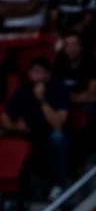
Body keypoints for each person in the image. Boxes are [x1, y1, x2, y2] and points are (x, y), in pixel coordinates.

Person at [1, 57, 70, 198]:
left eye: (40, 72)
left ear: (48, 74)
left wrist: (42, 100)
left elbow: (58, 123)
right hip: (31, 132)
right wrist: (16, 126)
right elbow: (4, 117)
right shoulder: (24, 91)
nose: (36, 76)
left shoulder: (58, 88)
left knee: (57, 138)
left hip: (51, 132)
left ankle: (59, 185)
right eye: (34, 72)